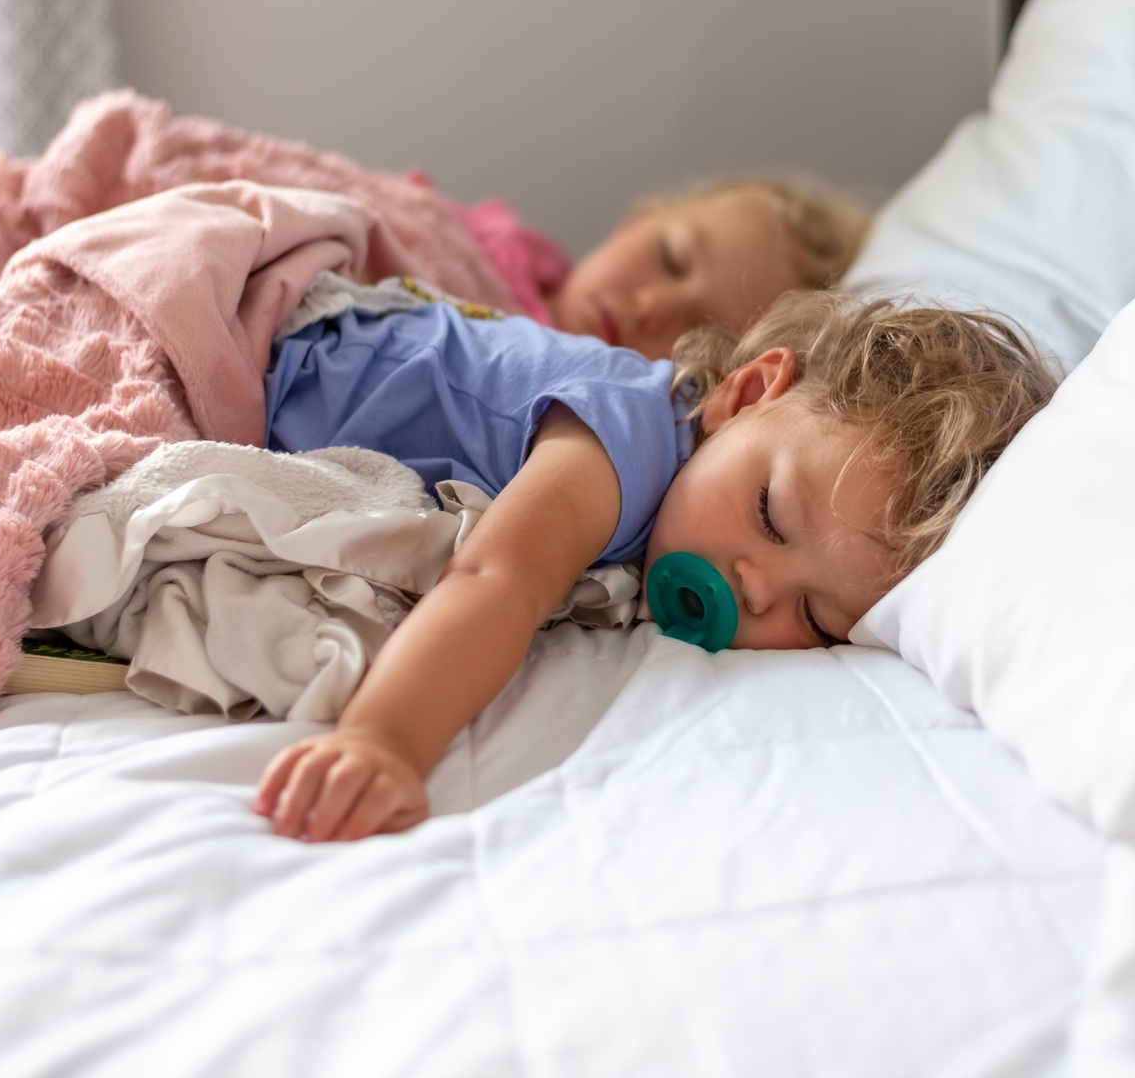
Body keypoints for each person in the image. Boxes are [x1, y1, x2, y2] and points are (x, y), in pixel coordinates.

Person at [251, 287, 1057, 843]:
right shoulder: (620, 446)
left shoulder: (698, 499)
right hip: (283, 358)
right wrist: (385, 741)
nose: (757, 586)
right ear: (744, 395)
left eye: (817, 618)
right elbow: (495, 582)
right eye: (770, 513)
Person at [462, 175, 872, 360]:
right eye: (671, 260)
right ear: (639, 219)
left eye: (700, 330)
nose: (651, 307)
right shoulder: (477, 246)